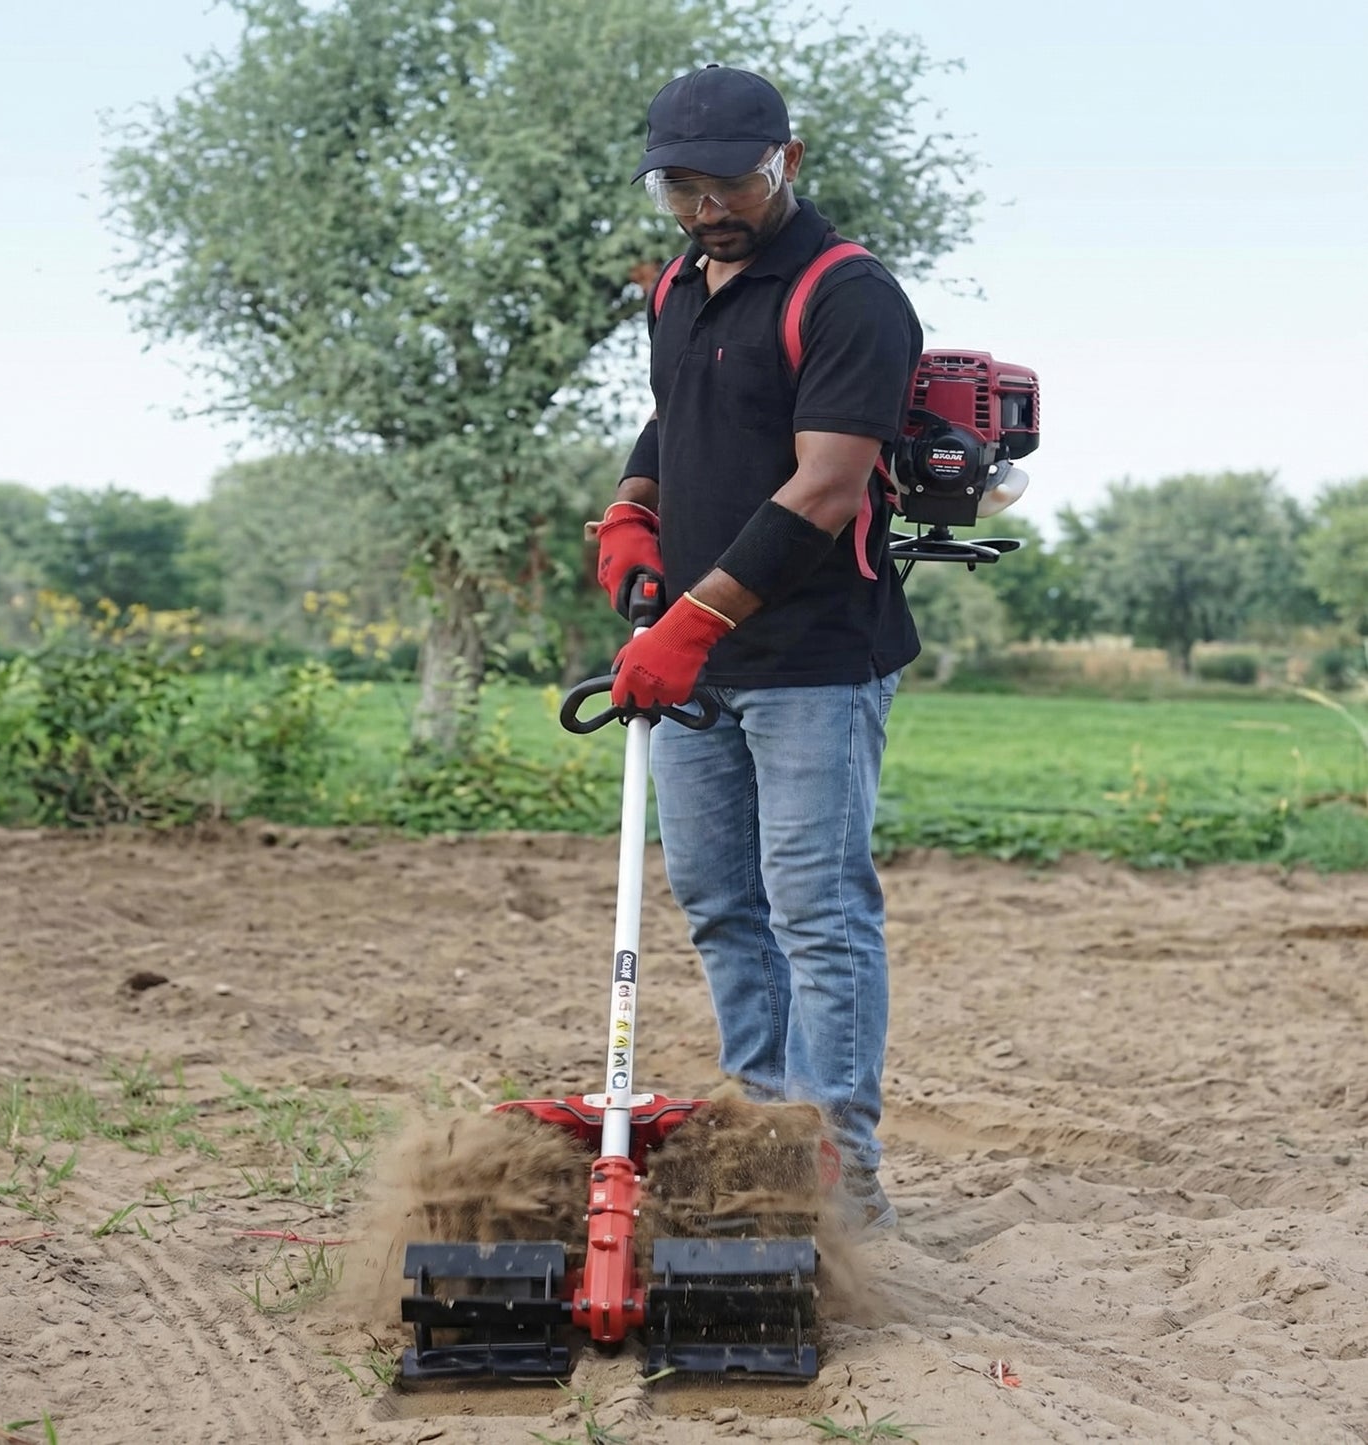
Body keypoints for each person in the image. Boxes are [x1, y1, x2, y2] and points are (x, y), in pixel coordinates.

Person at [589, 64, 924, 1231]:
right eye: (679, 187)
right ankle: (765, 1129)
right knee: (721, 901)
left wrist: (691, 620)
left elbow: (827, 486)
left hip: (811, 660)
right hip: (697, 664)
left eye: (726, 181)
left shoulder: (849, 297)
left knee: (816, 908)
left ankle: (839, 1171)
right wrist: (634, 506)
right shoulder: (679, 284)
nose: (703, 207)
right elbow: (671, 413)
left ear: (786, 159)